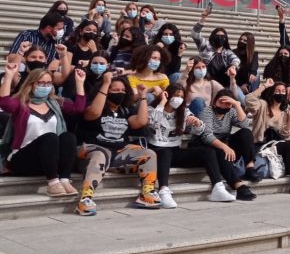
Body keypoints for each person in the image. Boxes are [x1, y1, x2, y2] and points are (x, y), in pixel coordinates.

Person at [76, 74, 161, 215]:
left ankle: (147, 193)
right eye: (115, 90)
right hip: (91, 150)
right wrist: (106, 83)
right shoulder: (95, 105)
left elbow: (141, 121)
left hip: (117, 152)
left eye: (123, 90)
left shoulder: (125, 110)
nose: (120, 93)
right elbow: (94, 112)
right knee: (101, 154)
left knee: (149, 154)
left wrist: (142, 96)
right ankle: (85, 199)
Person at [0, 66, 86, 197]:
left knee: (68, 137)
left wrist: (79, 82)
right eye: (41, 83)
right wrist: (9, 76)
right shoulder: (21, 102)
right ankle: (53, 183)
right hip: (25, 159)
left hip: (50, 160)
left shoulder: (55, 102)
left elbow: (78, 109)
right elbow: (5, 103)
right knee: (50, 137)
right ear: (31, 84)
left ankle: (64, 179)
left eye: (48, 83)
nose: (45, 86)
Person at [245, 78, 290, 194]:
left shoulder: (285, 112)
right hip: (260, 144)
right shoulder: (263, 105)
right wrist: (265, 86)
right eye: (277, 91)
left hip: (276, 145)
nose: (280, 93)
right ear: (272, 92)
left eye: (283, 91)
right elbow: (248, 99)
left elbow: (286, 136)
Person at [147, 84, 207, 208]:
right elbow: (152, 123)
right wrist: (162, 102)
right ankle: (163, 190)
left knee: (208, 151)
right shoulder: (152, 109)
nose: (178, 99)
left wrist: (197, 123)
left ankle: (218, 185)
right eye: (175, 95)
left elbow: (198, 132)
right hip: (157, 150)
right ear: (167, 94)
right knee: (165, 152)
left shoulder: (183, 111)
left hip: (175, 150)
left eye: (181, 96)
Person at [196, 89, 258, 200]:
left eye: (228, 103)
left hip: (225, 143)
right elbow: (207, 136)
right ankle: (238, 185)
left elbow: (244, 124)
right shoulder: (207, 111)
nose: (224, 105)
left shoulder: (231, 112)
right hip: (209, 146)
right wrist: (225, 147)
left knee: (246, 133)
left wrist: (237, 105)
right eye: (221, 102)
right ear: (214, 102)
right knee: (221, 151)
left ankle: (250, 168)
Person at [190, 8, 241, 88]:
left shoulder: (227, 52)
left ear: (225, 39)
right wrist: (203, 18)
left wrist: (233, 66)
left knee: (239, 95)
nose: (220, 38)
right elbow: (194, 34)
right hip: (206, 82)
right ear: (213, 37)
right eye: (217, 36)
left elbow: (236, 59)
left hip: (224, 84)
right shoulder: (205, 46)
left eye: (222, 37)